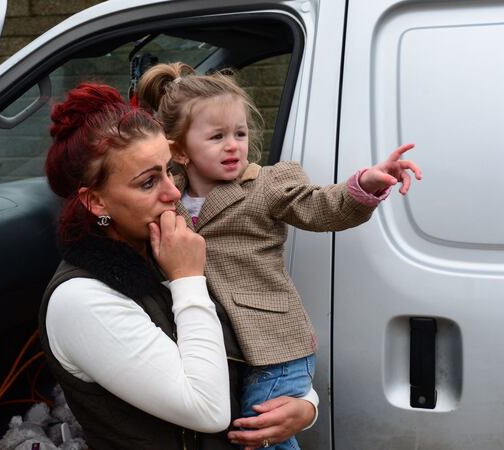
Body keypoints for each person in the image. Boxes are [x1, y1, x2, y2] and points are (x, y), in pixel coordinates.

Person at [137, 62, 422, 449]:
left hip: (274, 347)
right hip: (221, 349)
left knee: (260, 436)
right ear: (179, 151)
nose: (233, 145)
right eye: (217, 136)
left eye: (239, 133)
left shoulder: (266, 184)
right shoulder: (170, 195)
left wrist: (364, 185)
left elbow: (321, 206)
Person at [39, 82, 318, 450]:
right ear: (96, 202)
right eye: (148, 182)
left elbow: (242, 349)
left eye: (169, 171)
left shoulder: (161, 249)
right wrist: (188, 279)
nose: (173, 192)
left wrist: (304, 406)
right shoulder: (81, 299)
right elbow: (208, 410)